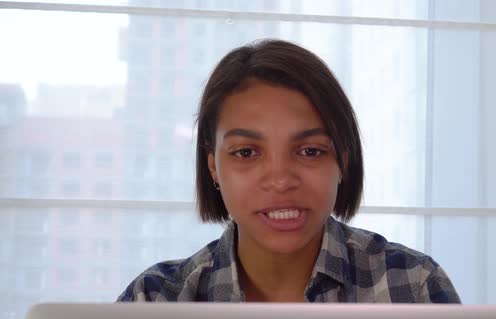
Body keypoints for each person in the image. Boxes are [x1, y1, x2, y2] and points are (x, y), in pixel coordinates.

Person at [118, 39, 460, 303]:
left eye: (310, 151)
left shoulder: (413, 287)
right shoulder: (155, 300)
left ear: (341, 160)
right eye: (247, 152)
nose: (281, 180)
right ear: (213, 167)